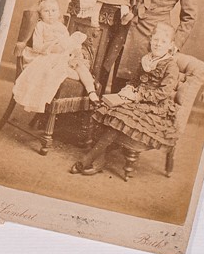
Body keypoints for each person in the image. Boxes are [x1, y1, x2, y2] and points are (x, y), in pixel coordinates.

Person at [70, 22, 179, 176]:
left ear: (170, 45)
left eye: (163, 41)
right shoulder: (146, 59)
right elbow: (134, 81)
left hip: (154, 107)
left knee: (119, 119)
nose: (158, 44)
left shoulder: (171, 66)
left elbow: (164, 93)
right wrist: (128, 89)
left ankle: (87, 160)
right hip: (135, 99)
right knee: (105, 109)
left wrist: (138, 95)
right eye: (155, 40)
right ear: (150, 40)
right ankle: (99, 159)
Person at [12, 0, 99, 113]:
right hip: (47, 57)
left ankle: (92, 93)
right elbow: (37, 46)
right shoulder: (41, 26)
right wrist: (53, 48)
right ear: (40, 14)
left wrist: (73, 50)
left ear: (58, 13)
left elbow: (67, 43)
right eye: (46, 11)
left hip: (64, 56)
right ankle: (82, 79)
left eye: (53, 10)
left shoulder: (61, 27)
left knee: (80, 66)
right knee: (63, 71)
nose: (50, 14)